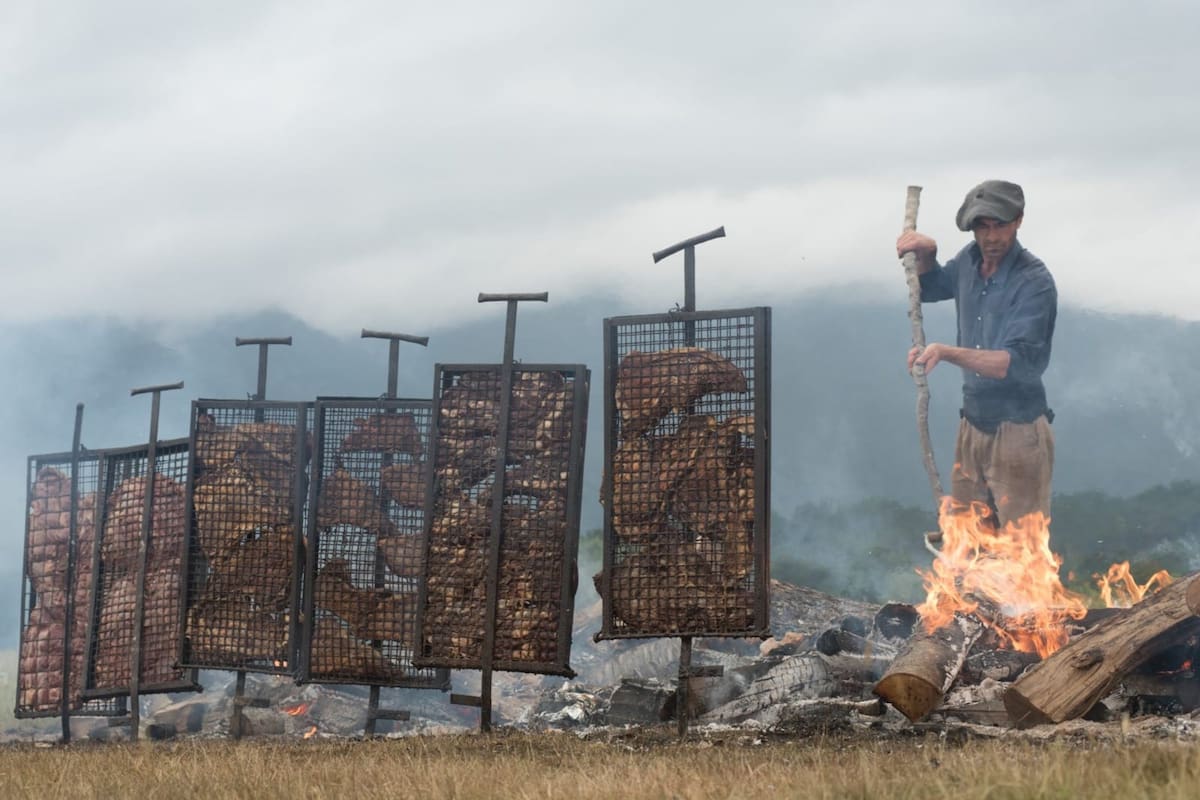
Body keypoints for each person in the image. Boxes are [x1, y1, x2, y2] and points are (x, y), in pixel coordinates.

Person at [895, 180, 1057, 528]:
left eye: (1000, 225)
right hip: (972, 423)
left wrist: (945, 352)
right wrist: (927, 255)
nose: (992, 237)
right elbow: (931, 287)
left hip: (1019, 430)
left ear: (1018, 221)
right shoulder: (969, 261)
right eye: (983, 227)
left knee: (1020, 547)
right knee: (969, 542)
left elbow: (1012, 364)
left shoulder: (1033, 281)